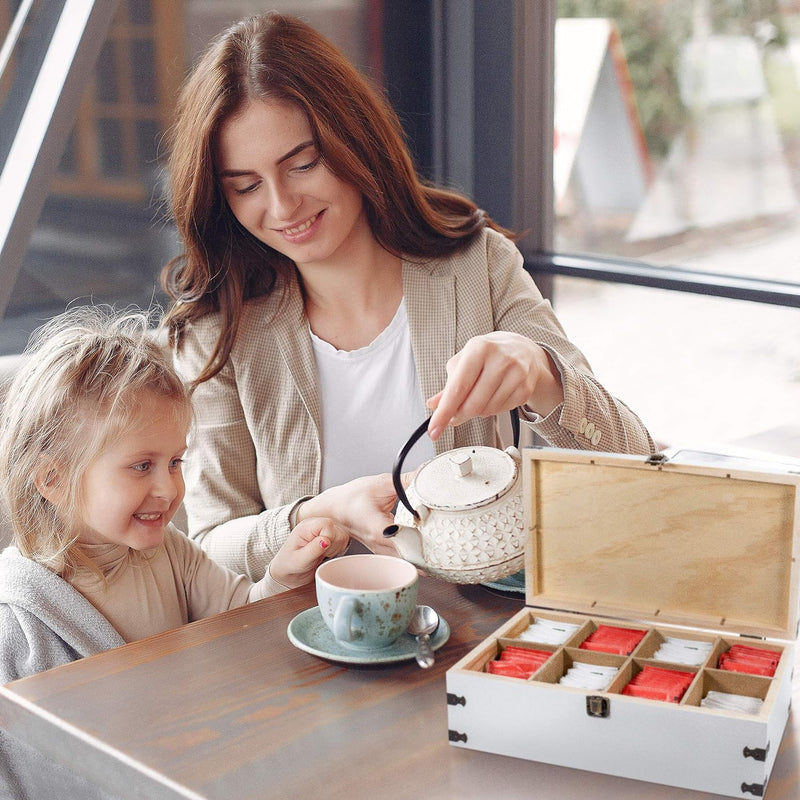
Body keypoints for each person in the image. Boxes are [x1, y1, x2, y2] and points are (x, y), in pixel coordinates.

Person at [161, 12, 655, 582]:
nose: (280, 206)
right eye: (245, 186)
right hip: (316, 647)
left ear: (355, 140)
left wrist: (543, 375)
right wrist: (317, 514)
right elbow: (209, 545)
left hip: (478, 630)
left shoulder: (479, 267)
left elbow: (634, 463)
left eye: (303, 164)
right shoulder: (219, 330)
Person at [0, 306, 349, 688]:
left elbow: (243, 619)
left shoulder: (172, 553)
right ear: (53, 479)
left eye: (175, 461)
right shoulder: (17, 616)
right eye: (141, 466)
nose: (169, 490)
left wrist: (282, 577)